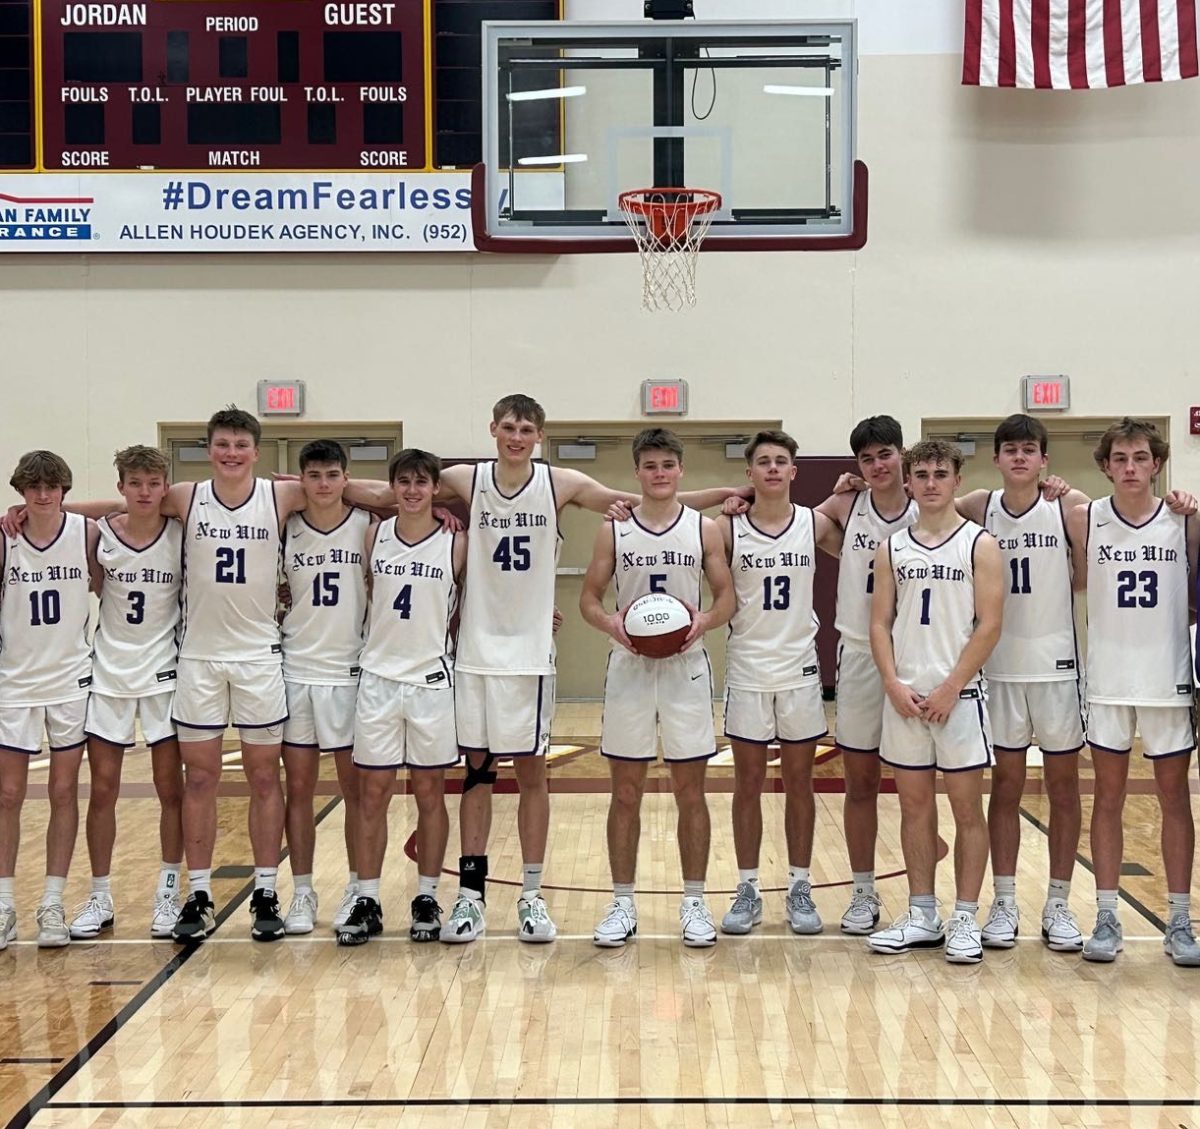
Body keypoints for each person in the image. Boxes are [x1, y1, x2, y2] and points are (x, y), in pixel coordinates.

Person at [345, 394, 744, 945]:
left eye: (526, 428)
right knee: (478, 775)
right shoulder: (466, 478)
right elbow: (390, 491)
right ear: (493, 429)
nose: (516, 435)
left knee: (533, 775)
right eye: (508, 426)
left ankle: (532, 898)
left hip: (531, 655)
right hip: (474, 656)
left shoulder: (560, 484)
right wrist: (310, 489)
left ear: (540, 435)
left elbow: (644, 497)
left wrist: (727, 497)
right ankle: (471, 898)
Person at [580, 427, 736, 948]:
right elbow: (588, 600)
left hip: (686, 668)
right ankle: (622, 903)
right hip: (629, 667)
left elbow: (727, 600)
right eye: (650, 466)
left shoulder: (704, 529)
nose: (660, 473)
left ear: (681, 470)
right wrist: (612, 626)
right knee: (625, 791)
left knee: (692, 791)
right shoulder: (614, 531)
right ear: (637, 473)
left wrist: (704, 622)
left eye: (668, 464)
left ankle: (694, 903)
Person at [1064, 417, 1200, 965]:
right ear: (1105, 465)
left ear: (1157, 463)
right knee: (1109, 798)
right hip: (1110, 679)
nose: (1130, 468)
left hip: (1167, 677)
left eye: (1140, 458)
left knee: (1174, 799)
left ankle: (1180, 919)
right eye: (1119, 459)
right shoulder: (1085, 518)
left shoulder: (1184, 520)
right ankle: (1105, 915)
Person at [866, 438, 1003, 964]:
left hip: (959, 697)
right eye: (920, 473)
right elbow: (879, 622)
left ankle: (965, 916)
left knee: (968, 810)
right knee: (914, 808)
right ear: (908, 482)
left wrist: (951, 687)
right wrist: (892, 682)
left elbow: (990, 625)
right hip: (905, 697)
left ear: (956, 481)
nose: (929, 482)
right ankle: (923, 912)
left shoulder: (980, 544)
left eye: (939, 473)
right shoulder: (892, 547)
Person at [338, 449, 465, 946]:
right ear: (394, 489)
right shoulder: (375, 534)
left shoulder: (457, 541)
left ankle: (427, 895)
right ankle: (366, 898)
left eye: (421, 482)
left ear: (436, 488)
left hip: (431, 680)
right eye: (403, 483)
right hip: (378, 677)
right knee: (373, 794)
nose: (412, 491)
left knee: (430, 793)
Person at [718, 430, 843, 936]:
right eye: (763, 462)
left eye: (781, 462)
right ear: (749, 474)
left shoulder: (815, 524)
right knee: (747, 784)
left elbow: (870, 553)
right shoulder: (725, 530)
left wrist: (849, 489)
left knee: (799, 783)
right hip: (748, 665)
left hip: (799, 669)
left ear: (794, 472)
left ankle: (799, 886)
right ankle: (747, 886)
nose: (772, 469)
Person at [69, 446, 185, 942]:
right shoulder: (100, 537)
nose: (144, 492)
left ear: (165, 486)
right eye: (134, 483)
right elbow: (77, 521)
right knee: (103, 791)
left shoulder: (183, 534)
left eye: (152, 483)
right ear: (121, 487)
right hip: (110, 674)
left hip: (165, 673)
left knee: (170, 790)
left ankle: (169, 891)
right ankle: (99, 894)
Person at [815, 416, 916, 935]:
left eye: (885, 455)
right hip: (857, 654)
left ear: (903, 455)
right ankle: (862, 893)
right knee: (860, 781)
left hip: (920, 659)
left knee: (923, 785)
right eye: (867, 459)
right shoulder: (844, 506)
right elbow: (784, 523)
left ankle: (925, 900)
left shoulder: (932, 504)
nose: (877, 466)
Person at [0, 451, 99, 949]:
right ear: (20, 491)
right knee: (8, 796)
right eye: (34, 487)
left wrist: (75, 506)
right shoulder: (5, 538)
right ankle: (3, 905)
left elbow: (133, 506)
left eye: (53, 486)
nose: (43, 495)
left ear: (64, 489)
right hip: (13, 683)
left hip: (69, 681)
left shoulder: (86, 533)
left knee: (64, 792)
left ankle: (53, 902)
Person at [278, 440, 371, 935]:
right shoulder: (285, 528)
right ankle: (303, 890)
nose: (322, 485)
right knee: (299, 790)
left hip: (348, 673)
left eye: (332, 475)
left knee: (355, 791)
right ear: (301, 480)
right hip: (296, 670)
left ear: (345, 478)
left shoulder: (367, 528)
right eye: (313, 476)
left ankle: (358, 887)